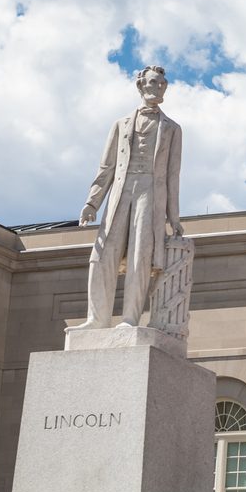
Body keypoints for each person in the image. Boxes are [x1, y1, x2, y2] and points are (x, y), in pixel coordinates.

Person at [74, 65, 183, 329]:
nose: (159, 88)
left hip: (151, 192)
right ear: (141, 85)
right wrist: (92, 203)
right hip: (120, 191)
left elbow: (172, 176)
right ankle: (96, 319)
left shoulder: (172, 129)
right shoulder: (121, 124)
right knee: (103, 253)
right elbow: (106, 167)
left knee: (140, 255)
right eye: (154, 83)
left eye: (163, 84)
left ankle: (129, 319)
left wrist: (174, 217)